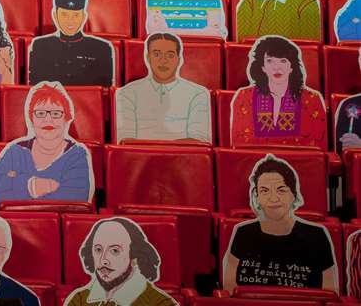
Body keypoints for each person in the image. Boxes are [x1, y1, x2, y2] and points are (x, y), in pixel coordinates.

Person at [222, 155, 338, 293]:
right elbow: (229, 288)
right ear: (257, 197)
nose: (273, 198)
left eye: (281, 190)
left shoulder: (317, 236)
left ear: (293, 195)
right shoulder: (243, 233)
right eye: (264, 191)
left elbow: (330, 292)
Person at [0, 81, 93, 204]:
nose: (48, 119)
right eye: (40, 113)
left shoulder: (77, 155)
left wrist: (16, 183)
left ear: (66, 118)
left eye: (56, 113)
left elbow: (74, 199)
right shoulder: (14, 150)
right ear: (31, 119)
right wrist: (34, 186)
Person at [229, 35, 326, 147]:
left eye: (283, 61)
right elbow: (239, 144)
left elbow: (319, 146)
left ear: (292, 67)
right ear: (262, 67)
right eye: (270, 61)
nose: (277, 67)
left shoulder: (312, 99)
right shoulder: (244, 97)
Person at [115, 32, 211, 143]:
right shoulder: (127, 93)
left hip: (183, 159)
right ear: (148, 58)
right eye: (156, 54)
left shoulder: (198, 94)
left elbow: (199, 140)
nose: (163, 60)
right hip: (139, 159)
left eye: (170, 55)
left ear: (178, 60)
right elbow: (125, 140)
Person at [62, 218, 176, 306]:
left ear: (135, 257)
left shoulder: (161, 303)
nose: (103, 260)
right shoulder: (79, 300)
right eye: (98, 250)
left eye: (114, 251)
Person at [30, 0, 116, 86]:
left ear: (83, 17)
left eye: (75, 15)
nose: (70, 21)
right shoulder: (40, 46)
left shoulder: (102, 48)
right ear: (55, 15)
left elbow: (104, 89)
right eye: (64, 15)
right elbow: (36, 87)